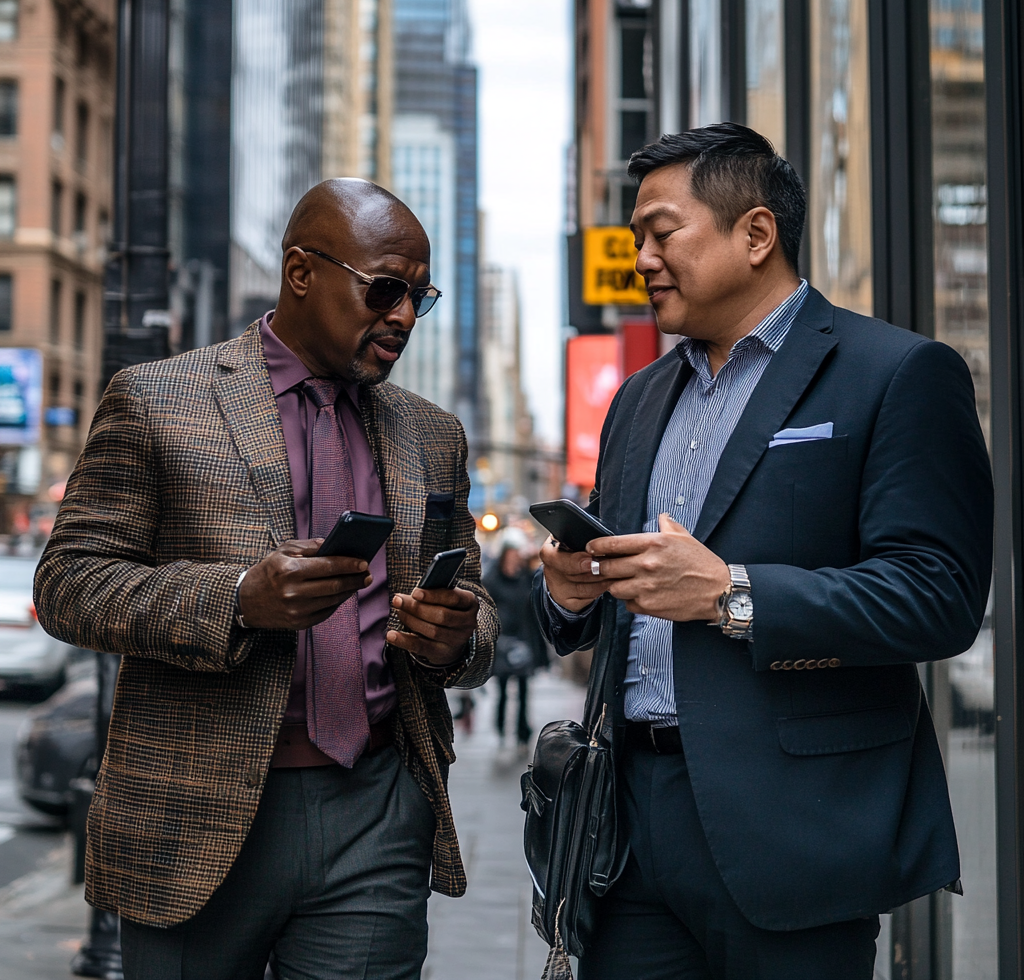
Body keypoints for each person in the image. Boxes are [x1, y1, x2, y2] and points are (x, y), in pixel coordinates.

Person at [535, 123, 993, 980]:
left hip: (798, 831)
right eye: (635, 238)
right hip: (628, 831)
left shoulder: (895, 372)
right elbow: (597, 606)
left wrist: (730, 594)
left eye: (661, 232)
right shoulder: (638, 400)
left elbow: (939, 596)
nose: (640, 257)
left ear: (755, 234)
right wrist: (571, 592)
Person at [34, 178, 497, 980]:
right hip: (196, 813)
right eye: (385, 289)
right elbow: (70, 583)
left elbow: (479, 610)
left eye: (418, 298)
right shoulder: (157, 401)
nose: (401, 316)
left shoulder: (433, 433)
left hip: (379, 808)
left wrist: (460, 636)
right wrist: (238, 599)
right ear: (300, 272)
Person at [484, 530, 549, 748]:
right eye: (510, 554)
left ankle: (523, 731)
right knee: (502, 689)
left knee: (523, 690)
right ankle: (501, 727)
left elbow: (535, 610)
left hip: (524, 640)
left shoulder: (527, 579)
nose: (513, 558)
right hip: (503, 642)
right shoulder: (492, 580)